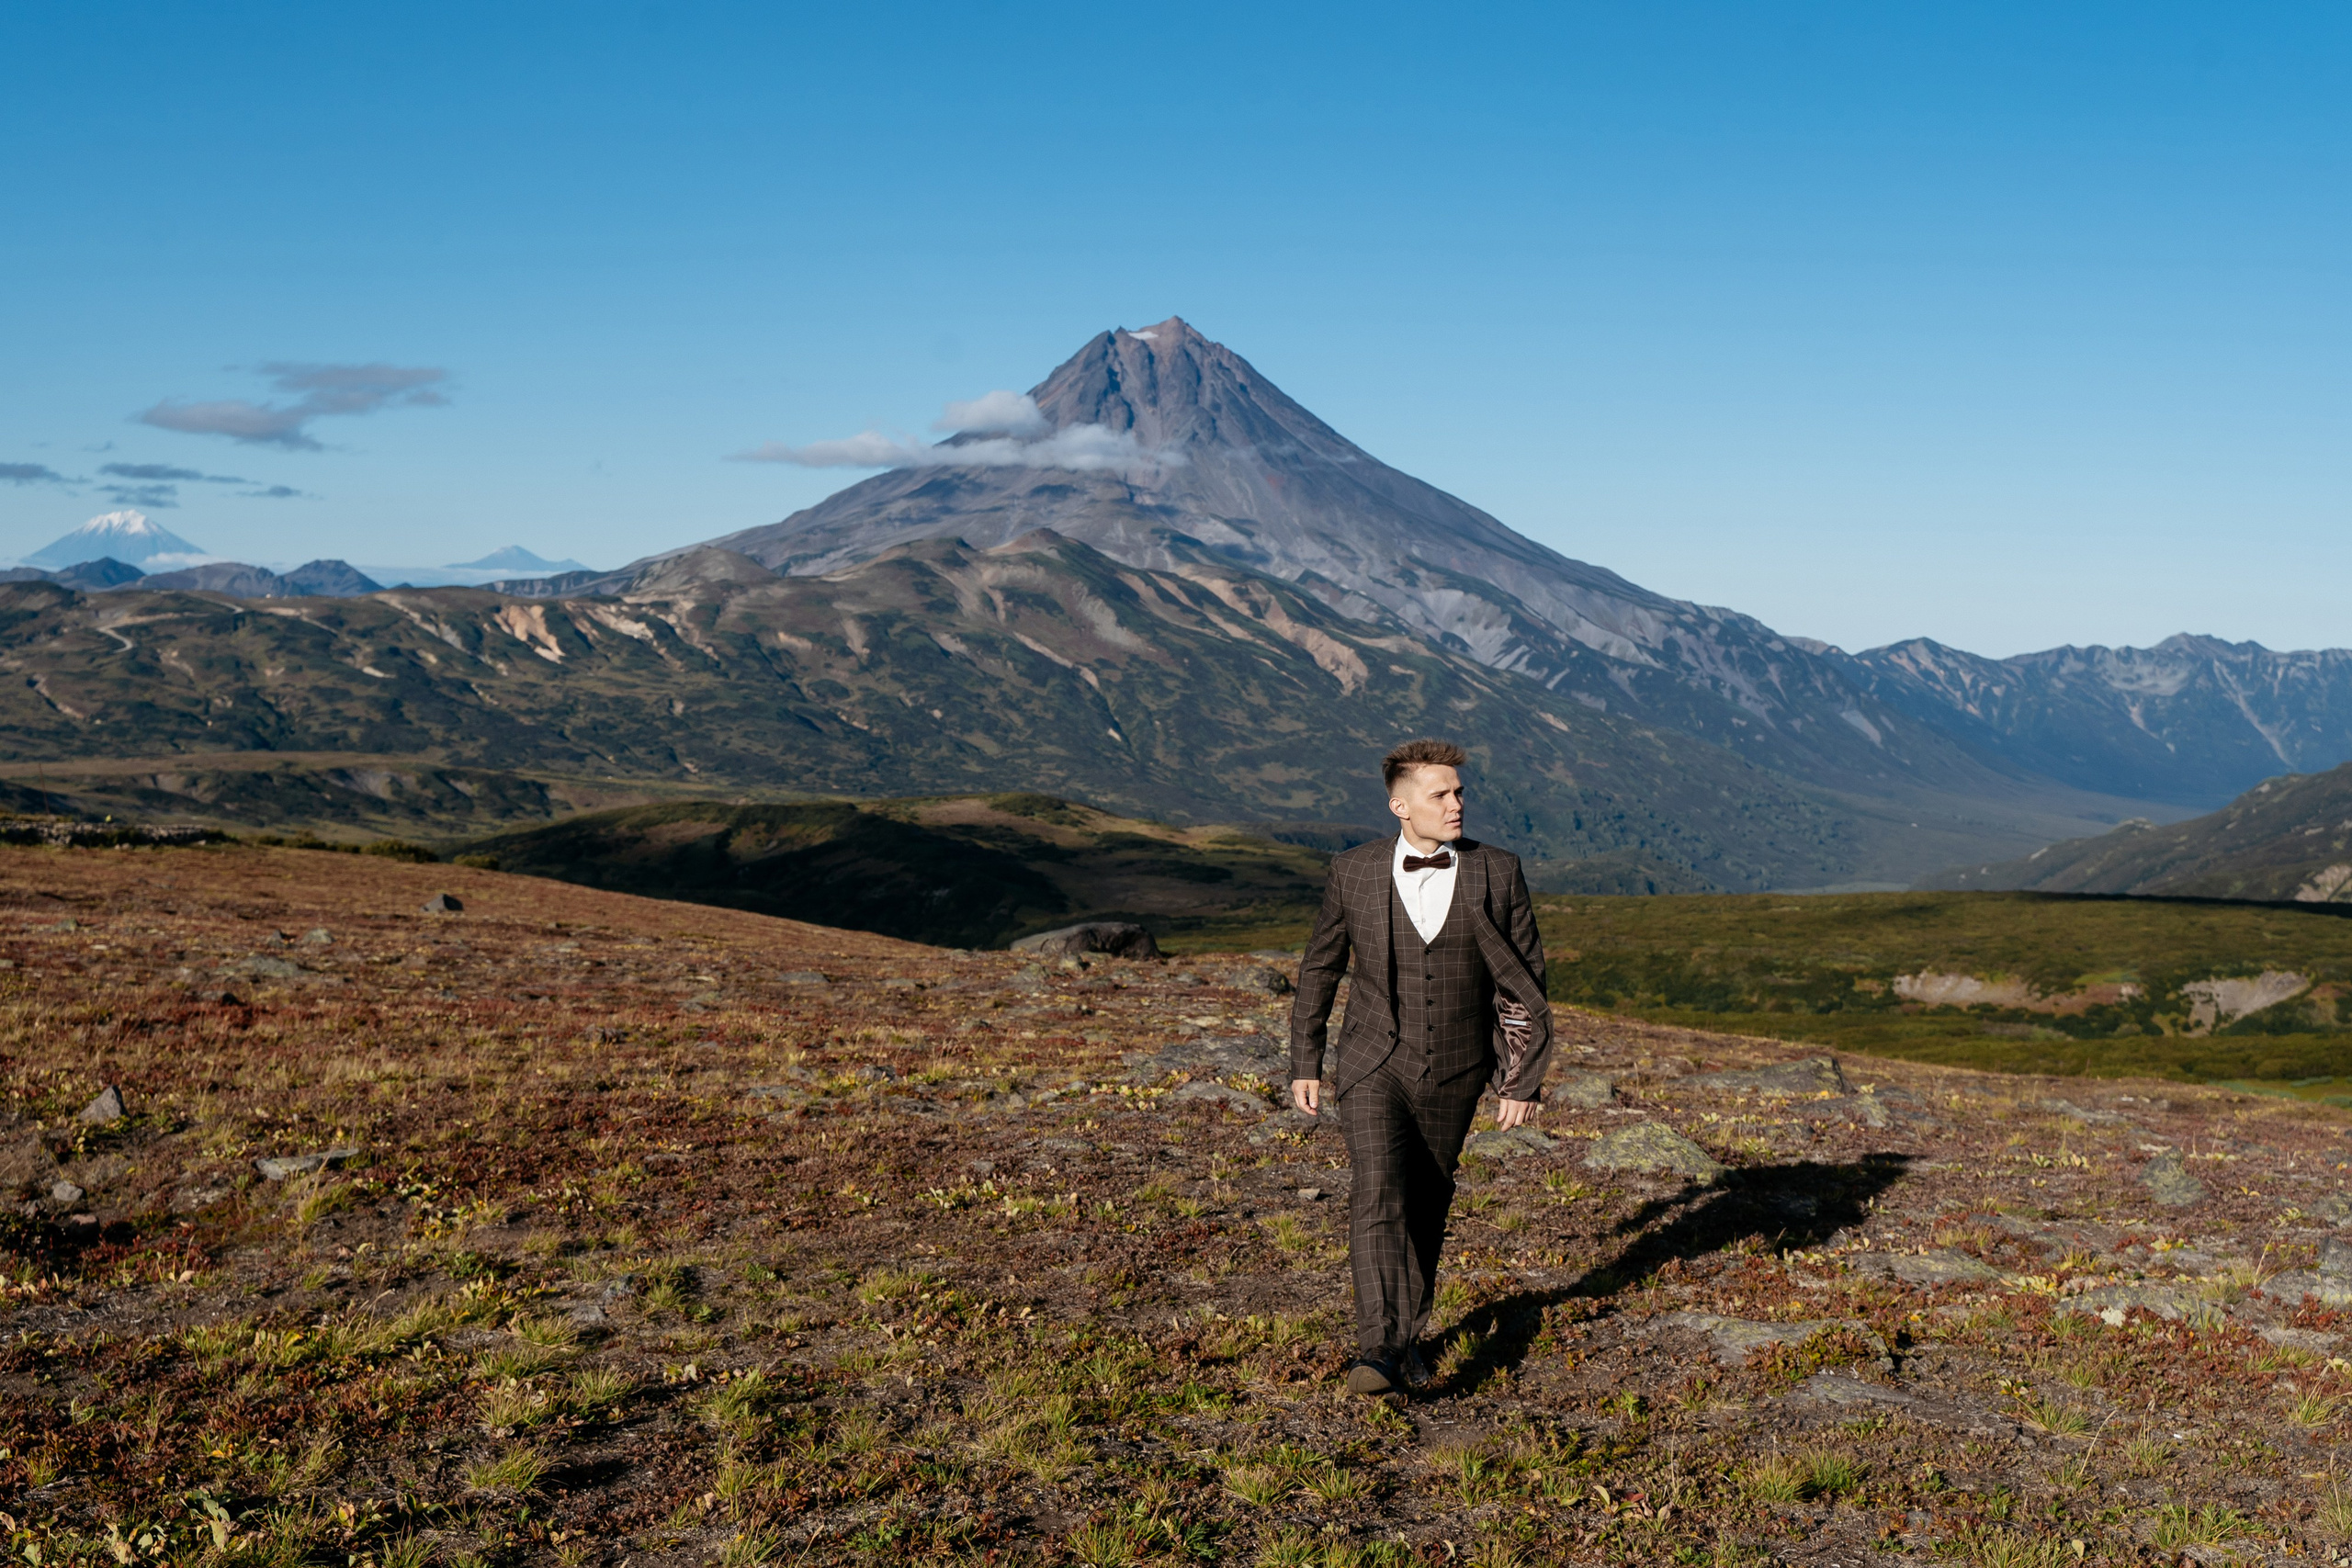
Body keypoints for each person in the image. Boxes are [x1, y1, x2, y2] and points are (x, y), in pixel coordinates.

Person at [1287, 738, 1555, 1396]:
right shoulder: (1351, 871)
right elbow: (1320, 966)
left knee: (1428, 1202)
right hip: (1372, 1060)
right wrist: (1306, 1059)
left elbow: (1525, 981)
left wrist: (1521, 1077)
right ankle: (1377, 1347)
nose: (1457, 803)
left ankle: (1405, 1340)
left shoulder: (1499, 870)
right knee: (1378, 1189)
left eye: (1460, 792)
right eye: (1442, 794)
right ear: (1400, 804)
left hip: (1460, 1067)